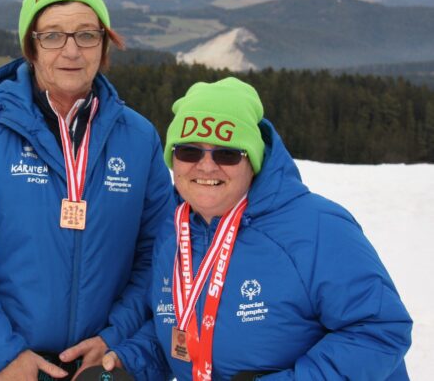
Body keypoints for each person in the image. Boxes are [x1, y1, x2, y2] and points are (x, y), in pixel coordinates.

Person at [0, 0, 174, 380]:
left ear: (104, 43)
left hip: (98, 368)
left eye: (86, 35)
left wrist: (115, 335)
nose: (71, 50)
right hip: (4, 368)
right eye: (53, 35)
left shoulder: (138, 138)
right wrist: (3, 354)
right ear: (32, 47)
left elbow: (158, 254)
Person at [101, 77, 413, 380]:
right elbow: (183, 328)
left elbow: (379, 330)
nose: (206, 166)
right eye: (189, 151)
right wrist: (129, 363)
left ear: (254, 160)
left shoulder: (317, 227)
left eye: (227, 153)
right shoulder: (174, 232)